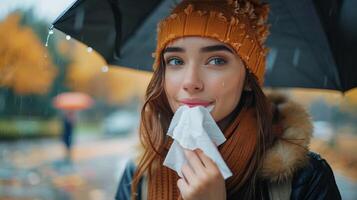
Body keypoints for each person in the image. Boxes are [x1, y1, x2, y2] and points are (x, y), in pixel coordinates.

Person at [116, 0, 341, 199]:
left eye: (216, 60)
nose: (190, 81)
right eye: (175, 61)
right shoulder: (139, 175)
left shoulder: (304, 178)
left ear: (247, 80)